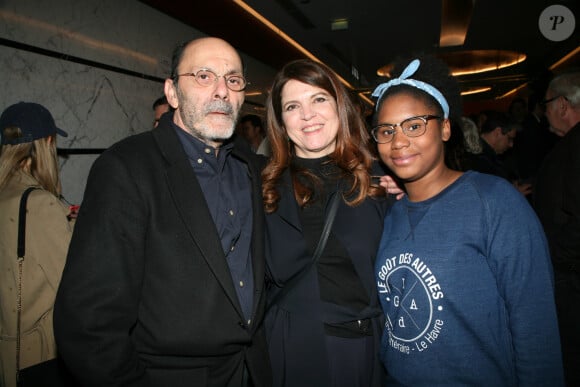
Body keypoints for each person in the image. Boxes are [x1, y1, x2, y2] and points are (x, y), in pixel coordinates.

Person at [53, 37, 271, 387]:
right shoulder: (127, 168)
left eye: (233, 80)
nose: (221, 91)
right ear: (171, 93)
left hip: (253, 371)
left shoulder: (253, 168)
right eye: (203, 76)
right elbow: (89, 325)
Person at [371, 55, 564, 385]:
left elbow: (536, 325)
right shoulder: (388, 213)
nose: (398, 141)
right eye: (386, 130)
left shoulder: (492, 201)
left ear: (445, 127)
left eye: (414, 125)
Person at [261, 58, 392, 387]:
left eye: (318, 99)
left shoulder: (380, 181)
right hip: (298, 349)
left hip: (374, 347)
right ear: (280, 121)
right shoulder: (263, 189)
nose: (307, 115)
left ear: (340, 106)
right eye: (292, 106)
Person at [0, 102, 74, 387]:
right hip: (39, 356)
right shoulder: (40, 204)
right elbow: (72, 284)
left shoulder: (8, 194)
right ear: (46, 144)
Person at [534, 70, 580, 387]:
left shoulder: (573, 150)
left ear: (562, 105)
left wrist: (558, 256)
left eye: (548, 103)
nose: (545, 110)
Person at [470, 110, 532, 196]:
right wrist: (513, 194)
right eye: (509, 139)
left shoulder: (478, 153)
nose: (511, 145)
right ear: (497, 132)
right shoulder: (483, 161)